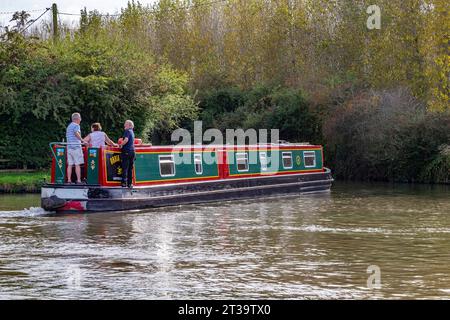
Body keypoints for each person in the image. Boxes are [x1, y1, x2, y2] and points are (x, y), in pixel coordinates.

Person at [66, 112, 84, 184]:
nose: (80, 120)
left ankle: (69, 180)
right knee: (77, 164)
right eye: (80, 118)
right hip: (76, 147)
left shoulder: (69, 126)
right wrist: (82, 141)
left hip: (69, 148)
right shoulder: (76, 125)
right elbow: (76, 133)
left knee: (70, 164)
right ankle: (79, 180)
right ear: (77, 119)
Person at [118, 120, 135, 188]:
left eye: (125, 124)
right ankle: (130, 184)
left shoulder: (127, 131)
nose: (124, 125)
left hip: (126, 151)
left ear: (129, 125)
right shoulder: (132, 132)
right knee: (130, 168)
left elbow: (126, 140)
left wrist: (120, 145)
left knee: (125, 167)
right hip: (132, 152)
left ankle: (124, 183)